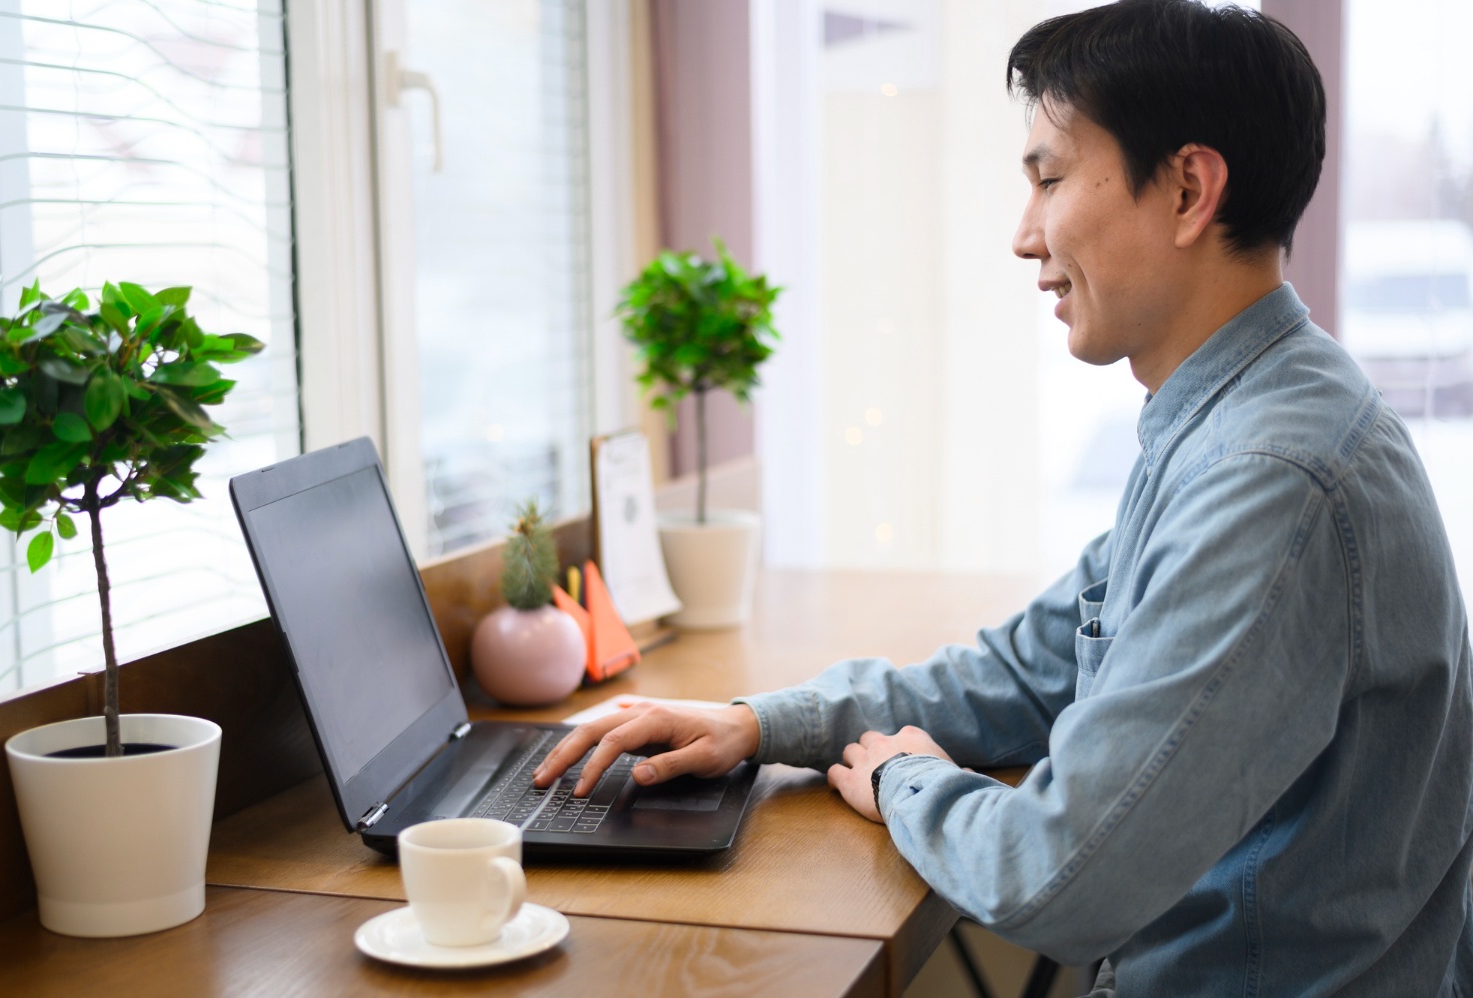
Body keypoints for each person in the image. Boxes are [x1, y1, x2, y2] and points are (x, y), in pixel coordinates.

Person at [535, 1, 1473, 992]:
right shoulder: (1232, 419)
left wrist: (903, 776)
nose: (1025, 235)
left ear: (1189, 187)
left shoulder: (1273, 477)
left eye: (1050, 179)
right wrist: (763, 724)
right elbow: (1030, 670)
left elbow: (1054, 873)